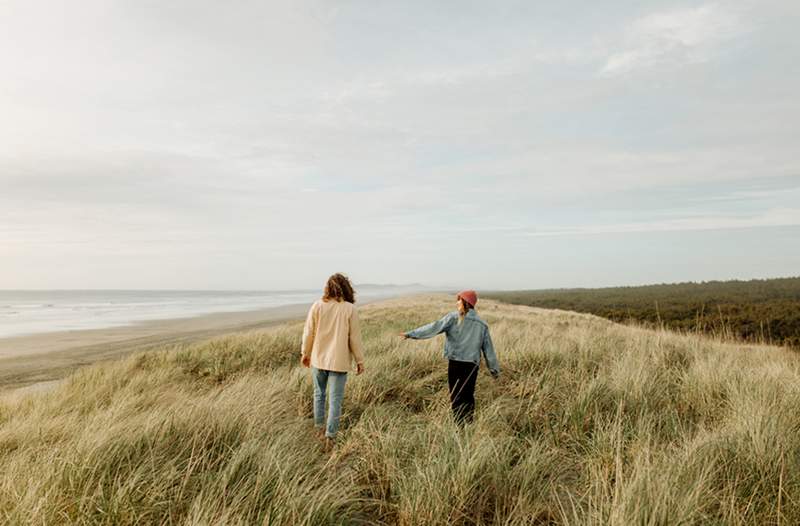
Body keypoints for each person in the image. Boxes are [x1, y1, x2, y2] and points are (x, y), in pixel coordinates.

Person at [400, 290, 499, 424]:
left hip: (456, 363)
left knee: (456, 395)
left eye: (459, 299)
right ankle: (468, 424)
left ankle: (459, 427)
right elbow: (489, 351)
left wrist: (411, 334)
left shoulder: (453, 318)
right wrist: (494, 371)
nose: (457, 302)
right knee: (468, 396)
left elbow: (433, 328)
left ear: (465, 302)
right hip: (472, 366)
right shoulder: (482, 324)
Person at [301, 273, 365, 449]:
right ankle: (331, 436)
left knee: (319, 395)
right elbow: (355, 338)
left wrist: (305, 353)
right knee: (335, 399)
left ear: (327, 288)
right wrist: (360, 360)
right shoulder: (350, 309)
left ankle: (319, 429)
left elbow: (309, 332)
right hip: (338, 361)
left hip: (318, 359)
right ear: (346, 288)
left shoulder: (317, 306)